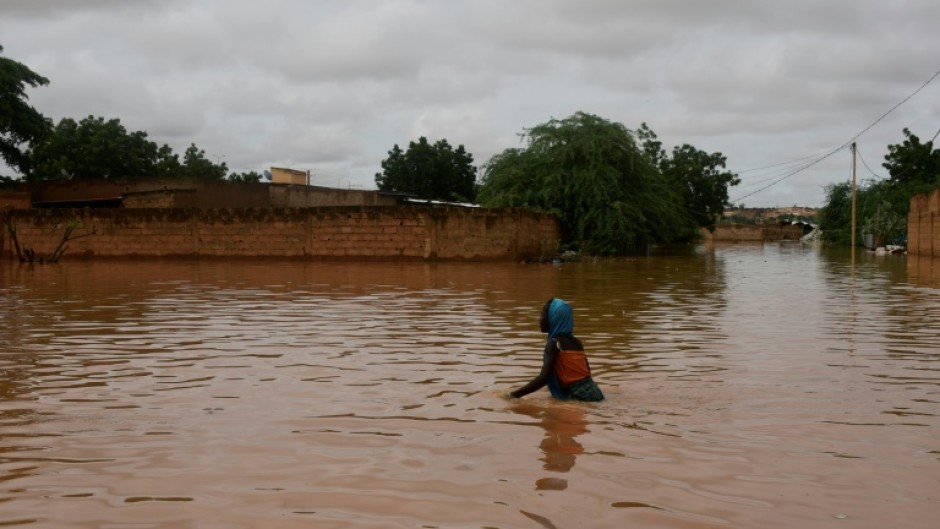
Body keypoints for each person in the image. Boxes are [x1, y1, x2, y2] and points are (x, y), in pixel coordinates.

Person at [508, 298, 604, 401]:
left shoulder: (554, 344)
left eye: (543, 315)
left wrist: (513, 395)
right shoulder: (577, 343)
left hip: (578, 396)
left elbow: (543, 378)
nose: (540, 319)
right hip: (596, 392)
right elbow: (586, 374)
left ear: (553, 318)